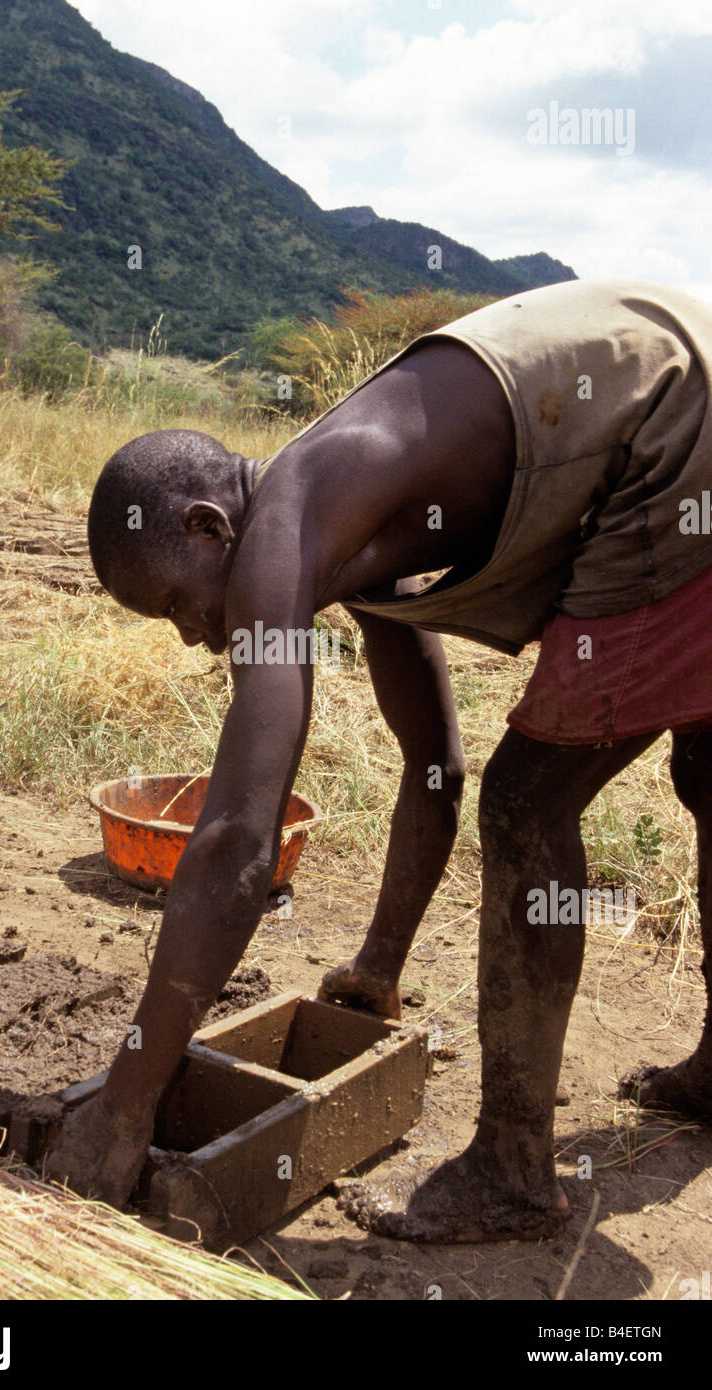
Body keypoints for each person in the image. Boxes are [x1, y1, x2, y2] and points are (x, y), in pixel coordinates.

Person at [46, 279, 712, 1243]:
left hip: (679, 429)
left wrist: (123, 1106)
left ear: (206, 526)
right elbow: (432, 762)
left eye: (175, 604)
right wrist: (379, 960)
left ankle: (512, 1168)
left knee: (528, 803)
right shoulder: (360, 523)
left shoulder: (288, 517)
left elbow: (239, 837)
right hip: (681, 375)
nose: (194, 637)